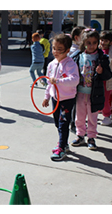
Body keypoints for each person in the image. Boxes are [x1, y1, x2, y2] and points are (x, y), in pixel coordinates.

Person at [70, 30, 112, 151]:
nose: (92, 45)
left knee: (93, 117)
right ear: (83, 43)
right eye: (89, 42)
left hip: (95, 94)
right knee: (79, 116)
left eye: (94, 42)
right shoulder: (78, 56)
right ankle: (80, 135)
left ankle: (91, 137)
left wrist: (102, 72)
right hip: (80, 92)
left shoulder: (102, 57)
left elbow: (108, 75)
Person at [40, 33, 80, 161]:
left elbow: (74, 80)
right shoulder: (51, 64)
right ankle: (64, 143)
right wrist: (47, 96)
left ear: (67, 51)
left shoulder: (70, 64)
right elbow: (48, 82)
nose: (55, 52)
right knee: (57, 122)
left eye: (59, 49)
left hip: (67, 99)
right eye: (53, 48)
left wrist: (58, 81)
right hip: (55, 98)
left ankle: (61, 147)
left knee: (63, 123)